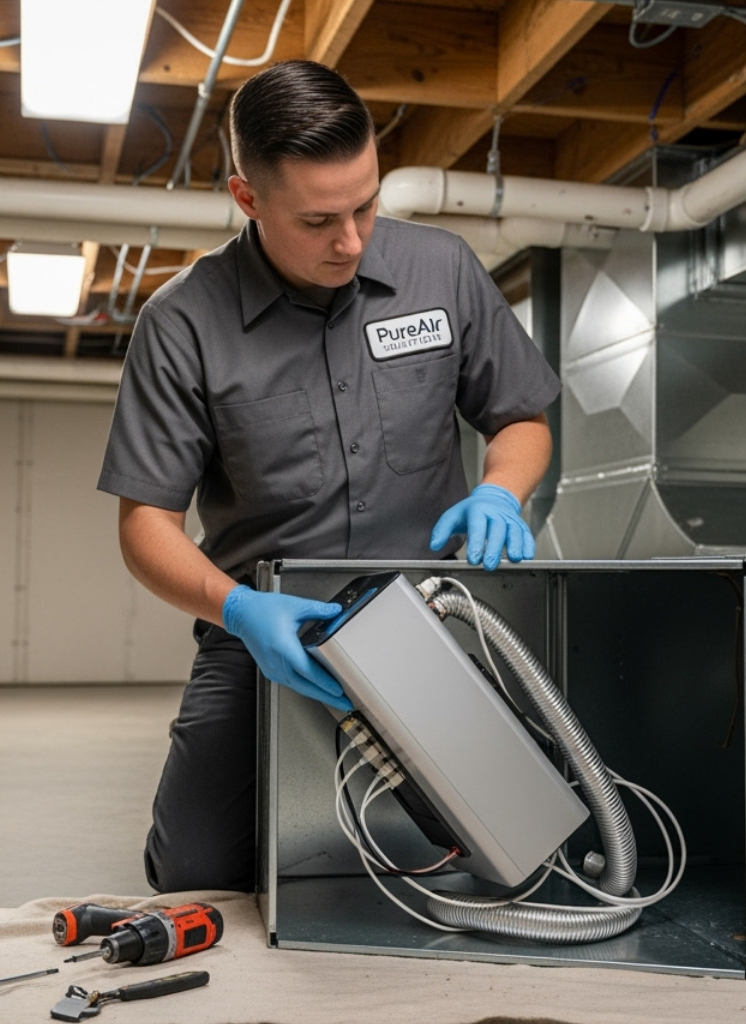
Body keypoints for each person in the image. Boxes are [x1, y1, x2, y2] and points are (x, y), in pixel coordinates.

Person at [97, 60, 560, 893]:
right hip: (267, 629)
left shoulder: (442, 271)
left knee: (530, 844)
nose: (351, 240)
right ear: (247, 198)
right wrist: (238, 609)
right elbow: (145, 527)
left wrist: (501, 488)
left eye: (367, 205)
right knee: (194, 872)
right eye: (318, 220)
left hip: (431, 619)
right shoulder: (180, 325)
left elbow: (521, 417)